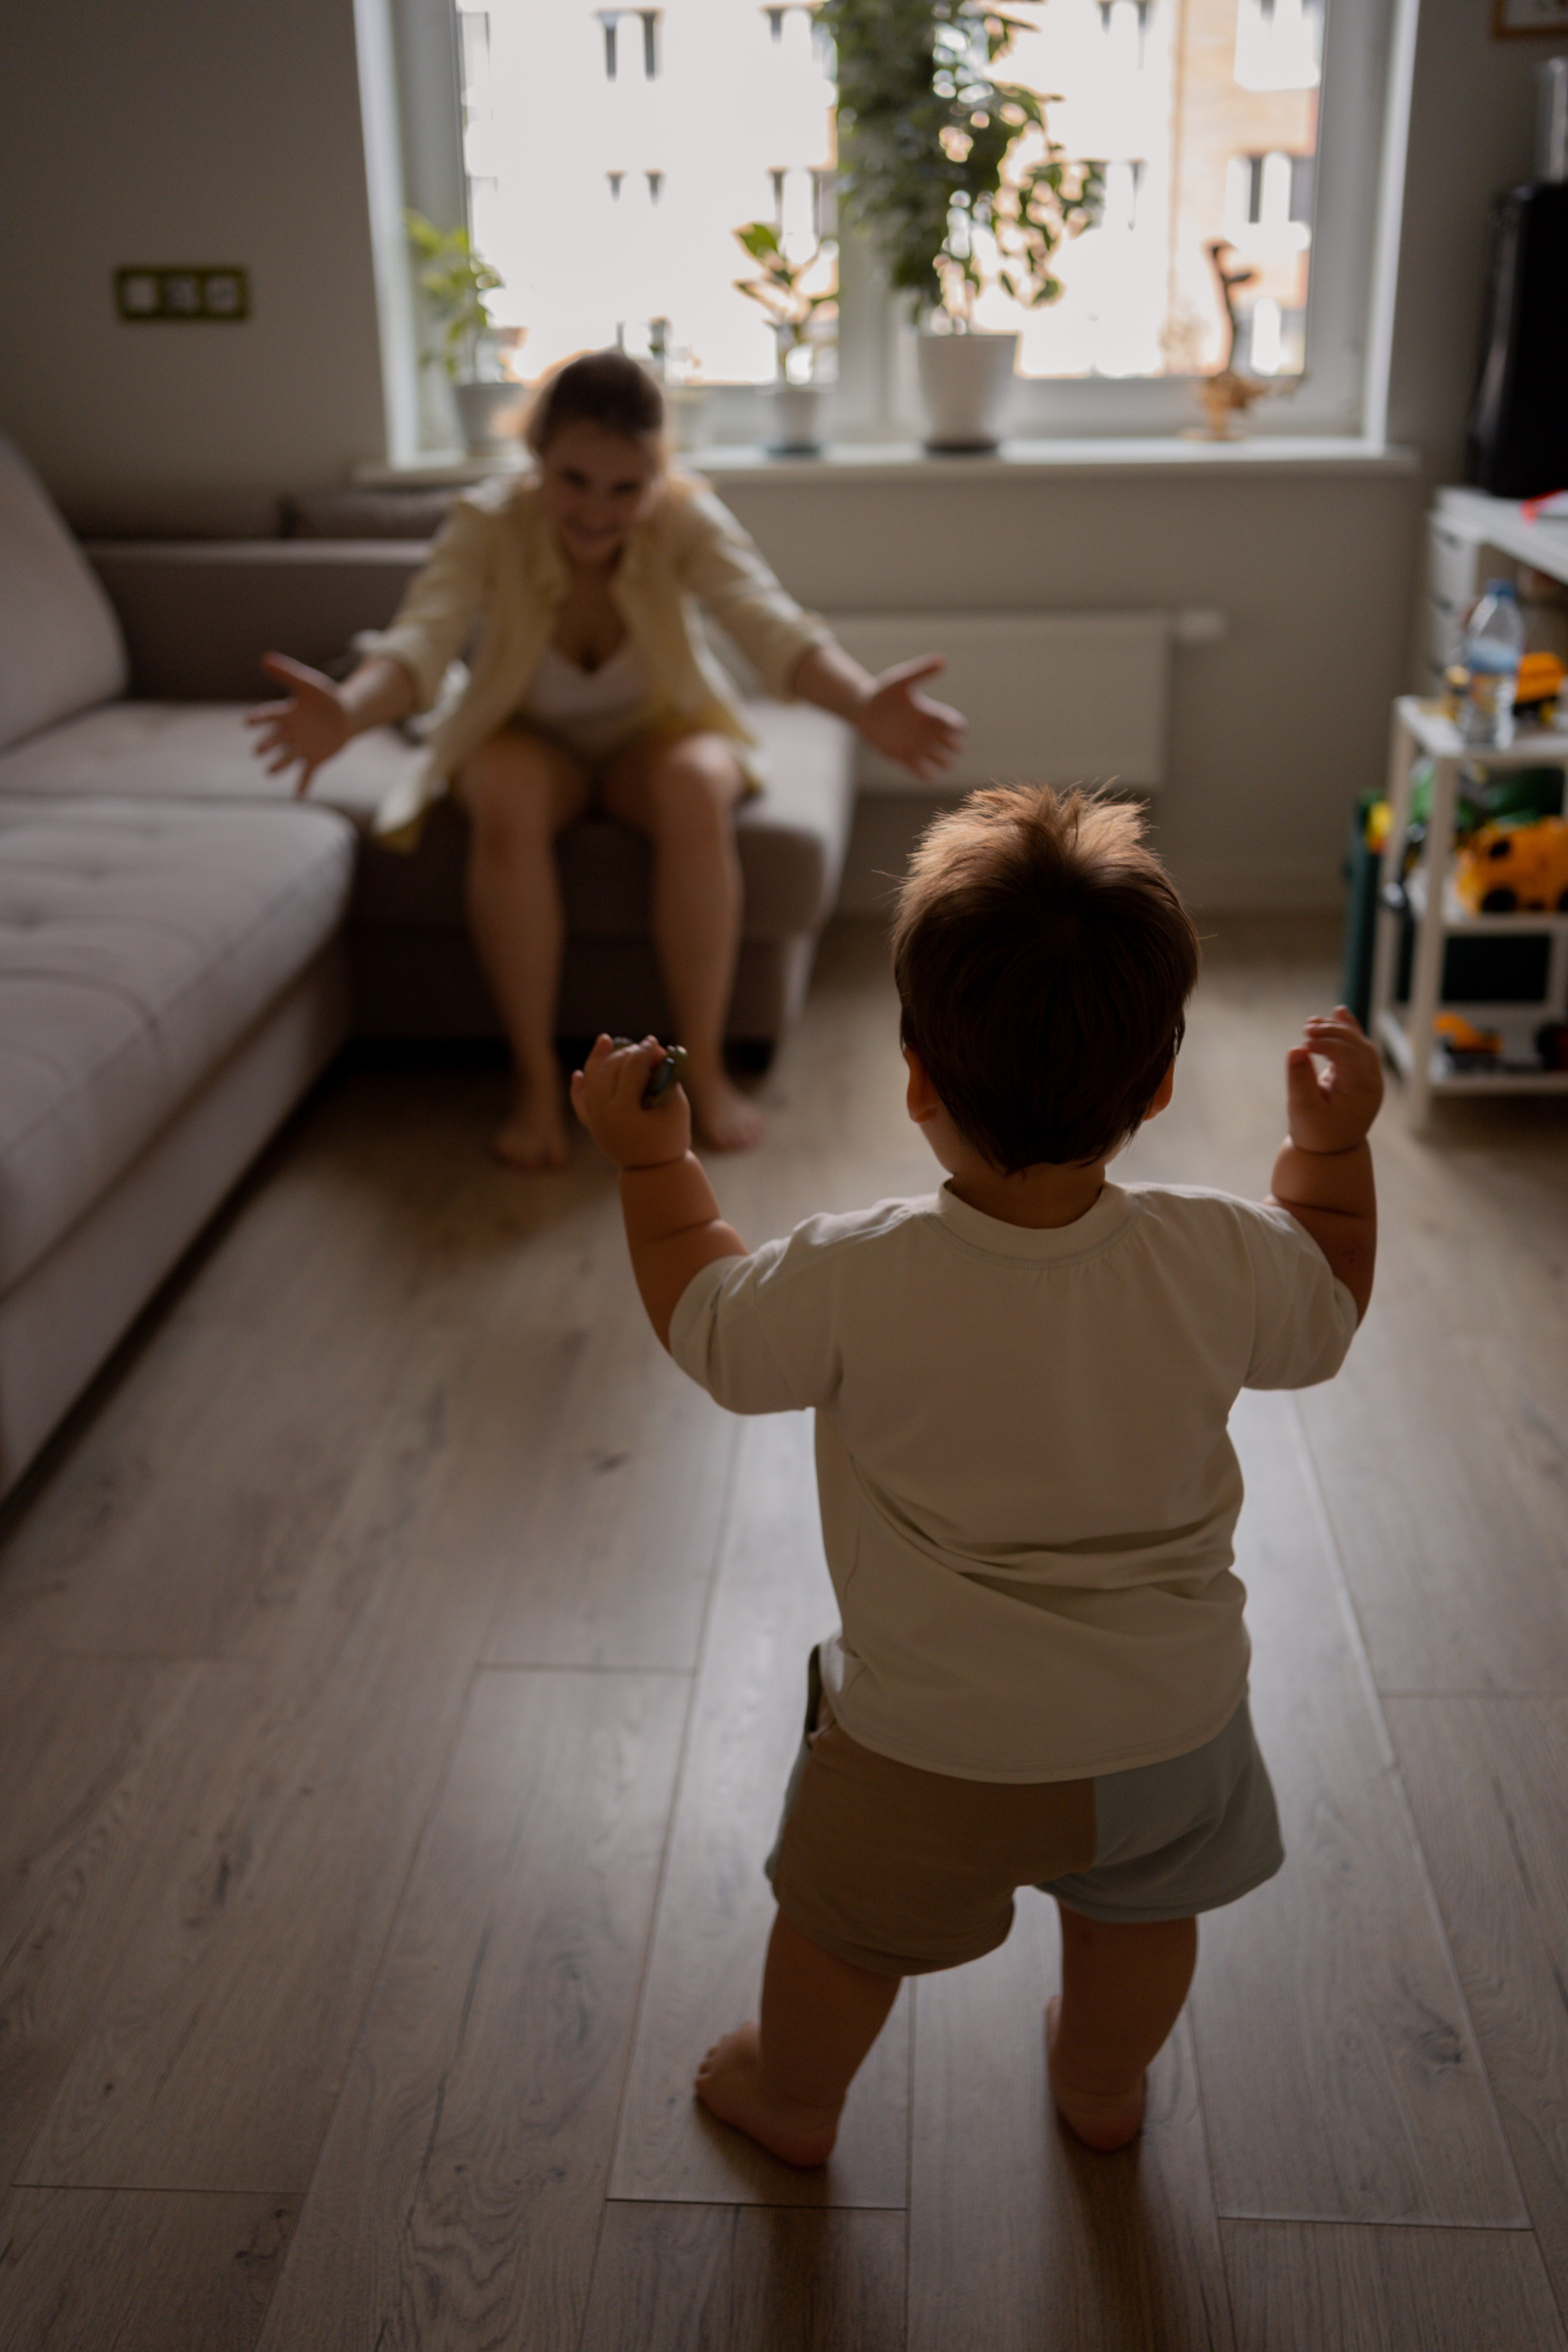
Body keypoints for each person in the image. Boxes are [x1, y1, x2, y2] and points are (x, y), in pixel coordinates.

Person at [571, 782, 1380, 2166]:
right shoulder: (1217, 1254)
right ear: (1158, 1084)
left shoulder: (851, 1273)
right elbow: (1326, 1299)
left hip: (924, 1747)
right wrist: (1330, 1149)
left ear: (916, 1079)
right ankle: (1099, 2083)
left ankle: (794, 2097)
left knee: (840, 1939)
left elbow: (711, 1328)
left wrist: (660, 1170)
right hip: (1168, 1729)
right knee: (1137, 1927)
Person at [247, 350, 964, 1168]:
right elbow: (423, 639)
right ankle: (534, 1086)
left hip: (656, 733)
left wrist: (865, 702)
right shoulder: (486, 523)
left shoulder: (685, 518)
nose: (597, 510)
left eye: (626, 487)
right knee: (505, 795)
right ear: (536, 458)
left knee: (699, 784)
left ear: (658, 473)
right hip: (527, 739)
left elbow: (769, 624)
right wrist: (346, 712)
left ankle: (707, 1069)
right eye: (573, 480)